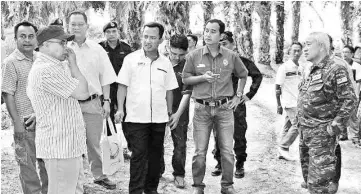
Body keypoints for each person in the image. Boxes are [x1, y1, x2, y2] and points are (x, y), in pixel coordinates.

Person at [182, 19, 248, 194]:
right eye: (206, 31)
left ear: (220, 36)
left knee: (227, 151)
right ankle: (198, 186)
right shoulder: (193, 56)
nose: (208, 35)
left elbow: (243, 74)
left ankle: (227, 185)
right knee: (199, 152)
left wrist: (238, 95)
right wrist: (203, 78)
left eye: (213, 31)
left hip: (224, 109)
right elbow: (185, 79)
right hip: (201, 110)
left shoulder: (231, 56)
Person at [114, 22, 178, 194]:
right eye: (145, 36)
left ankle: (151, 189)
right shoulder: (131, 59)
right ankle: (135, 190)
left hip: (159, 118)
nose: (148, 41)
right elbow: (122, 86)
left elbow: (169, 89)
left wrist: (170, 112)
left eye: (152, 37)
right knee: (139, 155)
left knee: (155, 156)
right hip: (136, 118)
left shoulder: (165, 63)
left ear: (160, 39)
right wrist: (120, 109)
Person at [27, 25, 89, 194]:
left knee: (74, 190)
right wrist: (74, 65)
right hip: (60, 147)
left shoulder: (57, 66)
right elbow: (83, 93)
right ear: (45, 45)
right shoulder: (47, 70)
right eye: (62, 42)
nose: (66, 47)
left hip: (68, 145)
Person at [297, 32, 357, 194]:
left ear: (322, 47)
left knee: (319, 184)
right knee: (309, 178)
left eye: (309, 44)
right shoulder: (312, 69)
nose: (304, 49)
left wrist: (337, 122)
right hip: (305, 133)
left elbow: (350, 99)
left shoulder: (335, 69)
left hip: (322, 135)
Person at [67, 10, 118, 190]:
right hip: (68, 104)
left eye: (80, 24)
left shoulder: (97, 50)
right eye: (73, 24)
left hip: (93, 103)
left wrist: (106, 102)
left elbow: (106, 77)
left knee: (94, 142)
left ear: (87, 26)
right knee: (70, 143)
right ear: (68, 25)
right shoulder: (62, 49)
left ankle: (98, 175)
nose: (76, 27)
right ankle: (74, 181)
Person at [1, 21, 48, 194]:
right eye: (22, 36)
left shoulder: (41, 58)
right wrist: (17, 124)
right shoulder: (10, 62)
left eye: (31, 36)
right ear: (15, 39)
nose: (27, 40)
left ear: (36, 39)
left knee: (46, 164)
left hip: (45, 121)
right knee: (27, 166)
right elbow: (8, 94)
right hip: (25, 124)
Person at [211, 31, 263, 179]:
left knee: (239, 134)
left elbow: (257, 76)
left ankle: (239, 164)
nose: (221, 47)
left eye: (225, 44)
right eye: (219, 44)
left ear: (233, 45)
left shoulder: (241, 61)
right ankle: (220, 163)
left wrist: (248, 95)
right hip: (218, 105)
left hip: (236, 105)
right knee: (218, 135)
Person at [159, 34, 192, 188]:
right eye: (174, 53)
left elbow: (187, 93)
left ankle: (179, 174)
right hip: (158, 110)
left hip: (179, 110)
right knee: (156, 142)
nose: (177, 57)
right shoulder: (159, 62)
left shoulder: (188, 66)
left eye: (181, 55)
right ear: (168, 48)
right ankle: (157, 171)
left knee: (179, 144)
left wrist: (178, 115)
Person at [99, 21, 132, 157]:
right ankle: (113, 149)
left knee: (126, 116)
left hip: (122, 87)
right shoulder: (100, 48)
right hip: (106, 88)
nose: (111, 34)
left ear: (118, 32)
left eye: (114, 31)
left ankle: (131, 148)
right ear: (105, 34)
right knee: (108, 118)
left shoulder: (126, 48)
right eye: (108, 32)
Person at [274, 42, 307, 161]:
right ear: (289, 52)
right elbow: (277, 87)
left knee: (288, 125)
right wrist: (278, 104)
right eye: (294, 51)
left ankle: (282, 151)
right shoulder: (284, 67)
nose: (297, 53)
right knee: (299, 124)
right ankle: (283, 146)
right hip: (289, 102)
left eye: (299, 51)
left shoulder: (302, 67)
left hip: (299, 101)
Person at [342, 45, 361, 144]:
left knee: (353, 116)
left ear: (352, 54)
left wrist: (356, 95)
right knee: (341, 114)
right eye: (343, 52)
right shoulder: (341, 64)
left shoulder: (357, 66)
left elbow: (358, 82)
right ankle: (343, 134)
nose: (344, 54)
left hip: (352, 94)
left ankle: (355, 137)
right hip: (341, 94)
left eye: (347, 52)